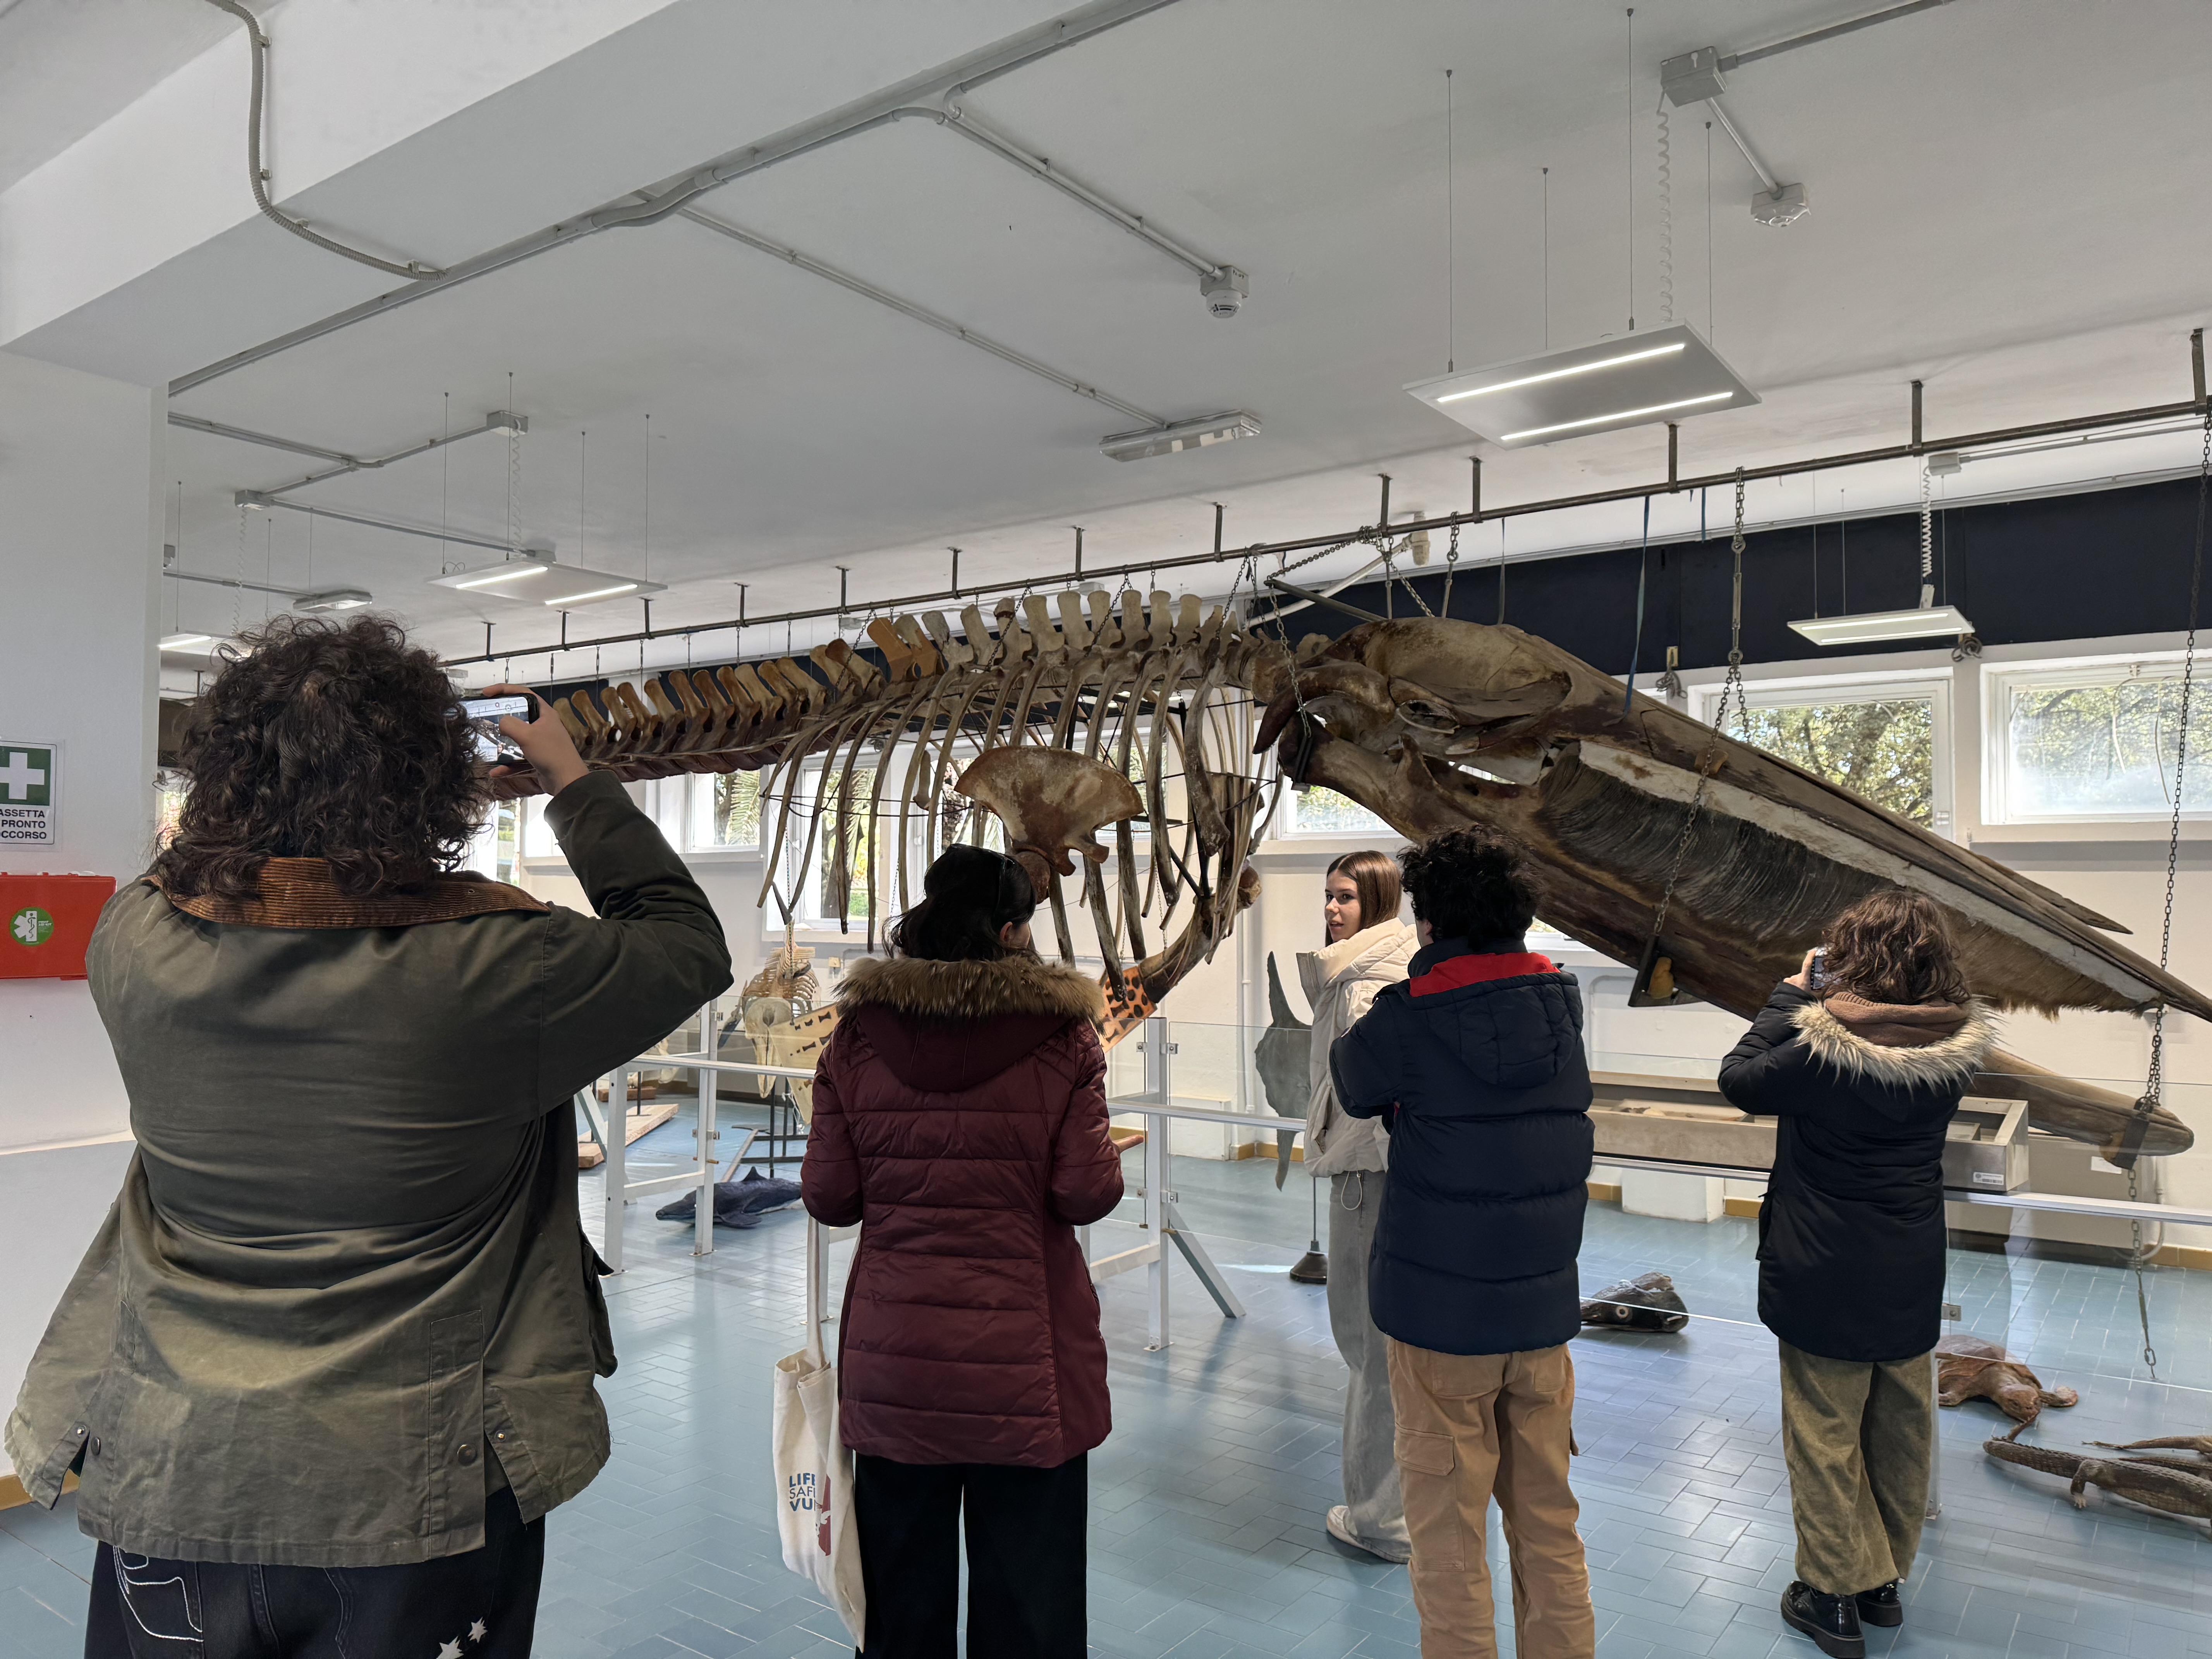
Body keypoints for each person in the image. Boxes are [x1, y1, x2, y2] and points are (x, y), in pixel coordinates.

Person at [3, 615, 731, 1657]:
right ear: (433, 784)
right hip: (415, 1492)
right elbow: (683, 941)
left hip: (178, 1469)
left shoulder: (133, 939)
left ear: (222, 772)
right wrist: (573, 776)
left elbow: (188, 875)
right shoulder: (502, 967)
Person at [801, 845, 1123, 1659]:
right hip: (1027, 1368)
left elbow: (831, 1198)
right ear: (1014, 933)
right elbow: (1087, 1194)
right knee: (1031, 1606)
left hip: (898, 1364)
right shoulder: (1065, 1040)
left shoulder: (855, 1040)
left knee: (903, 1607)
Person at [1331, 828, 1595, 1659]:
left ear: (1433, 922)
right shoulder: (1563, 1002)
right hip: (1543, 1315)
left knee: (1447, 1539)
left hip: (1441, 1322)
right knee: (1551, 1523)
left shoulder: (1408, 1019)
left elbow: (1353, 1077)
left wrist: (1416, 975)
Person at [1718, 889, 1995, 1659]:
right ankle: (1882, 1584)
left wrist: (1794, 993)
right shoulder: (1957, 1051)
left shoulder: (1819, 1050)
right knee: (1902, 1428)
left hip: (1821, 1263)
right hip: (1909, 1264)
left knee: (1825, 1432)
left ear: (1852, 960)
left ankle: (1831, 1596)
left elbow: (1739, 1078)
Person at [1299, 849, 1419, 1563]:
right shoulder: (1380, 967)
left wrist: (1343, 1150)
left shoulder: (1362, 981)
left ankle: (1379, 1519)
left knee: (1367, 1343)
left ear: (1376, 901)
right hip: (1375, 1168)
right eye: (1328, 896)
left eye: (1344, 897)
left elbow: (1364, 1090)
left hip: (1365, 1172)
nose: (1331, 909)